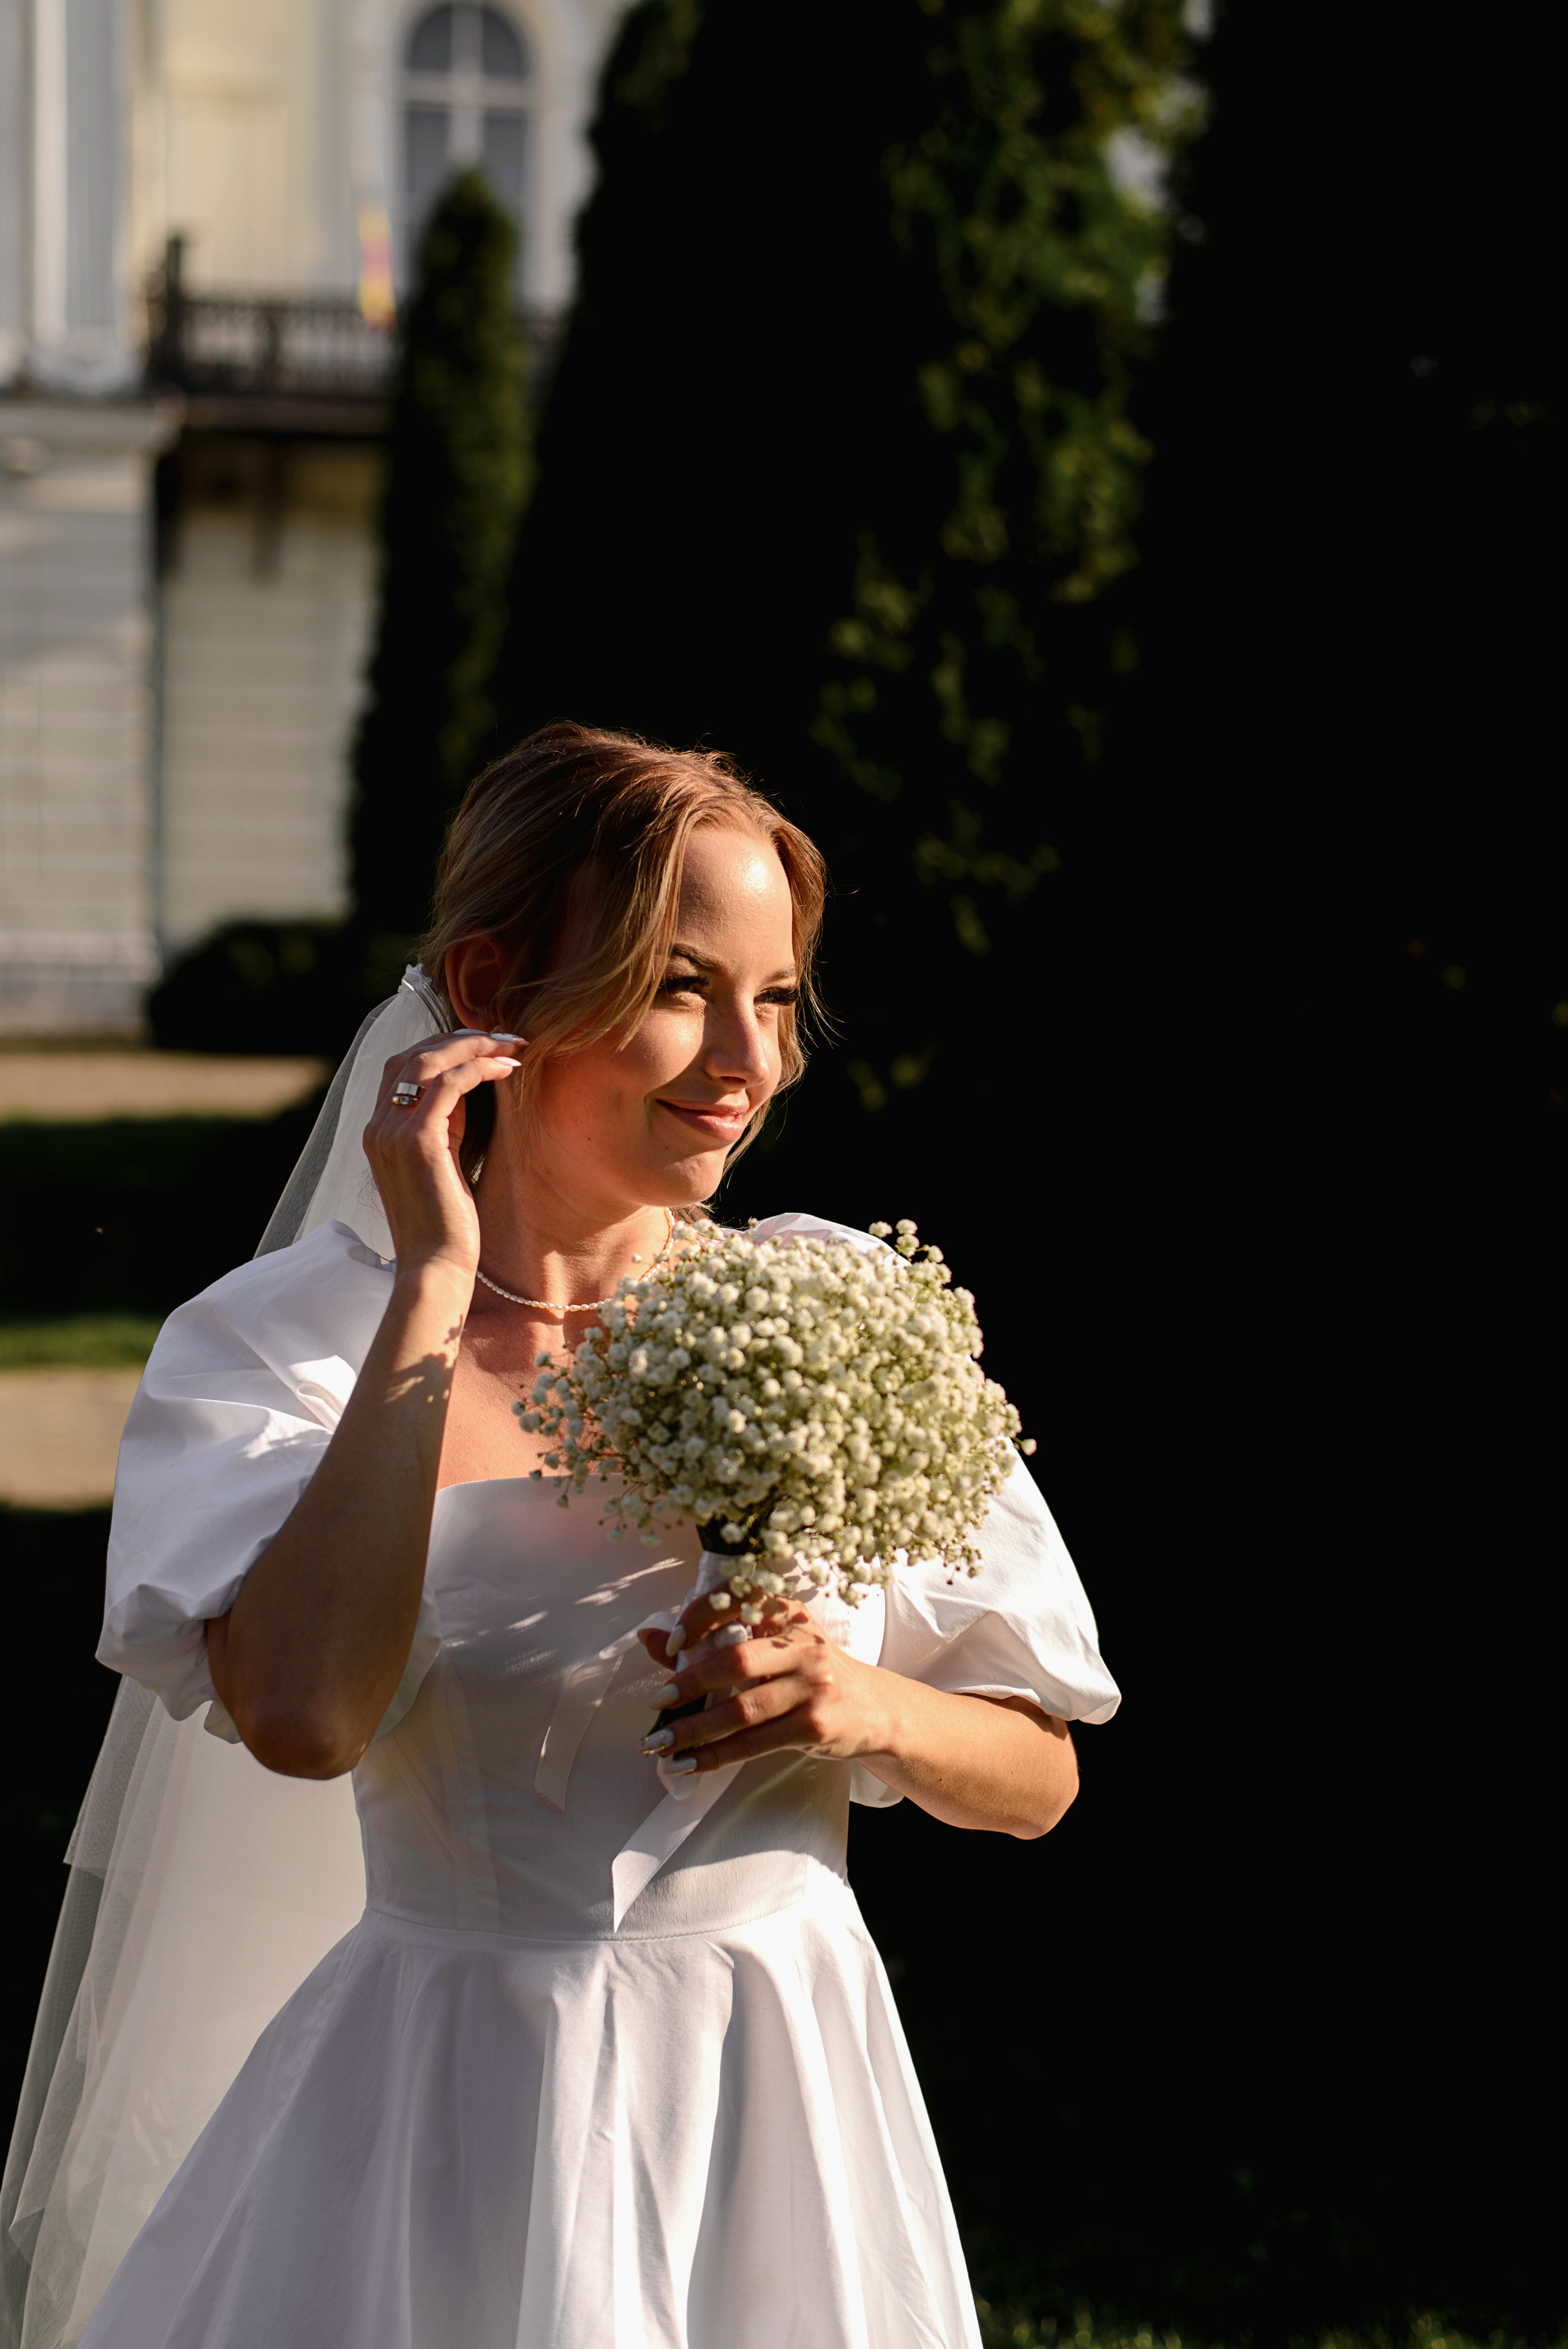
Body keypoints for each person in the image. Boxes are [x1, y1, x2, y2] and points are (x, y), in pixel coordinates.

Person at [2, 725, 1119, 2349]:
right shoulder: (286, 1349)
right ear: (492, 987)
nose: (750, 1055)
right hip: (459, 2095)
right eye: (681, 985)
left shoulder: (838, 1311)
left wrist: (859, 1704)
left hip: (778, 2084)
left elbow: (1039, 1774)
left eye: (780, 996)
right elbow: (305, 1718)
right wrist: (428, 1298)